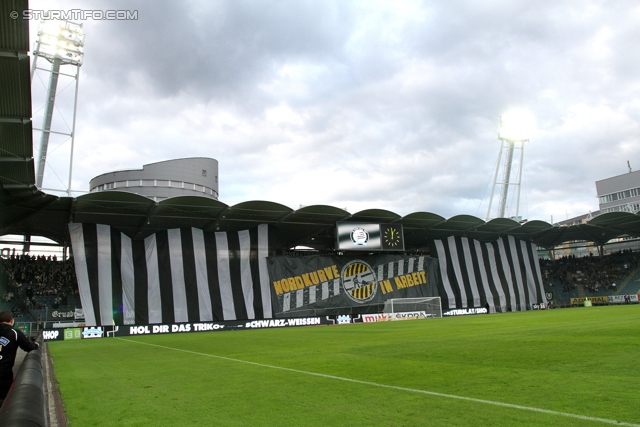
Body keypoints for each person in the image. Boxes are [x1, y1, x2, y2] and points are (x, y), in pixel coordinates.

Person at [0, 310, 39, 404]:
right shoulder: (14, 333)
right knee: (4, 400)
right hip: (3, 373)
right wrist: (36, 345)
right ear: (11, 320)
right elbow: (28, 347)